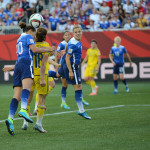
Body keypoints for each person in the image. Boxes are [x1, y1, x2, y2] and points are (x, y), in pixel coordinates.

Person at [4, 22, 55, 136]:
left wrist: (12, 67)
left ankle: (10, 119)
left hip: (18, 65)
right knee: (27, 89)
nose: (34, 36)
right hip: (27, 65)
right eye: (34, 33)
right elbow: (35, 50)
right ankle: (23, 110)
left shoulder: (19, 39)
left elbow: (22, 56)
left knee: (16, 96)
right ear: (31, 30)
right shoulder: (28, 36)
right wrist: (49, 48)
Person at [21, 27, 56, 133]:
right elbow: (45, 61)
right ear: (45, 36)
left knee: (28, 98)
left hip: (29, 74)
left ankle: (25, 122)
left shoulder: (31, 45)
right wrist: (42, 78)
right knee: (41, 100)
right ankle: (38, 124)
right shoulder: (46, 46)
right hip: (41, 75)